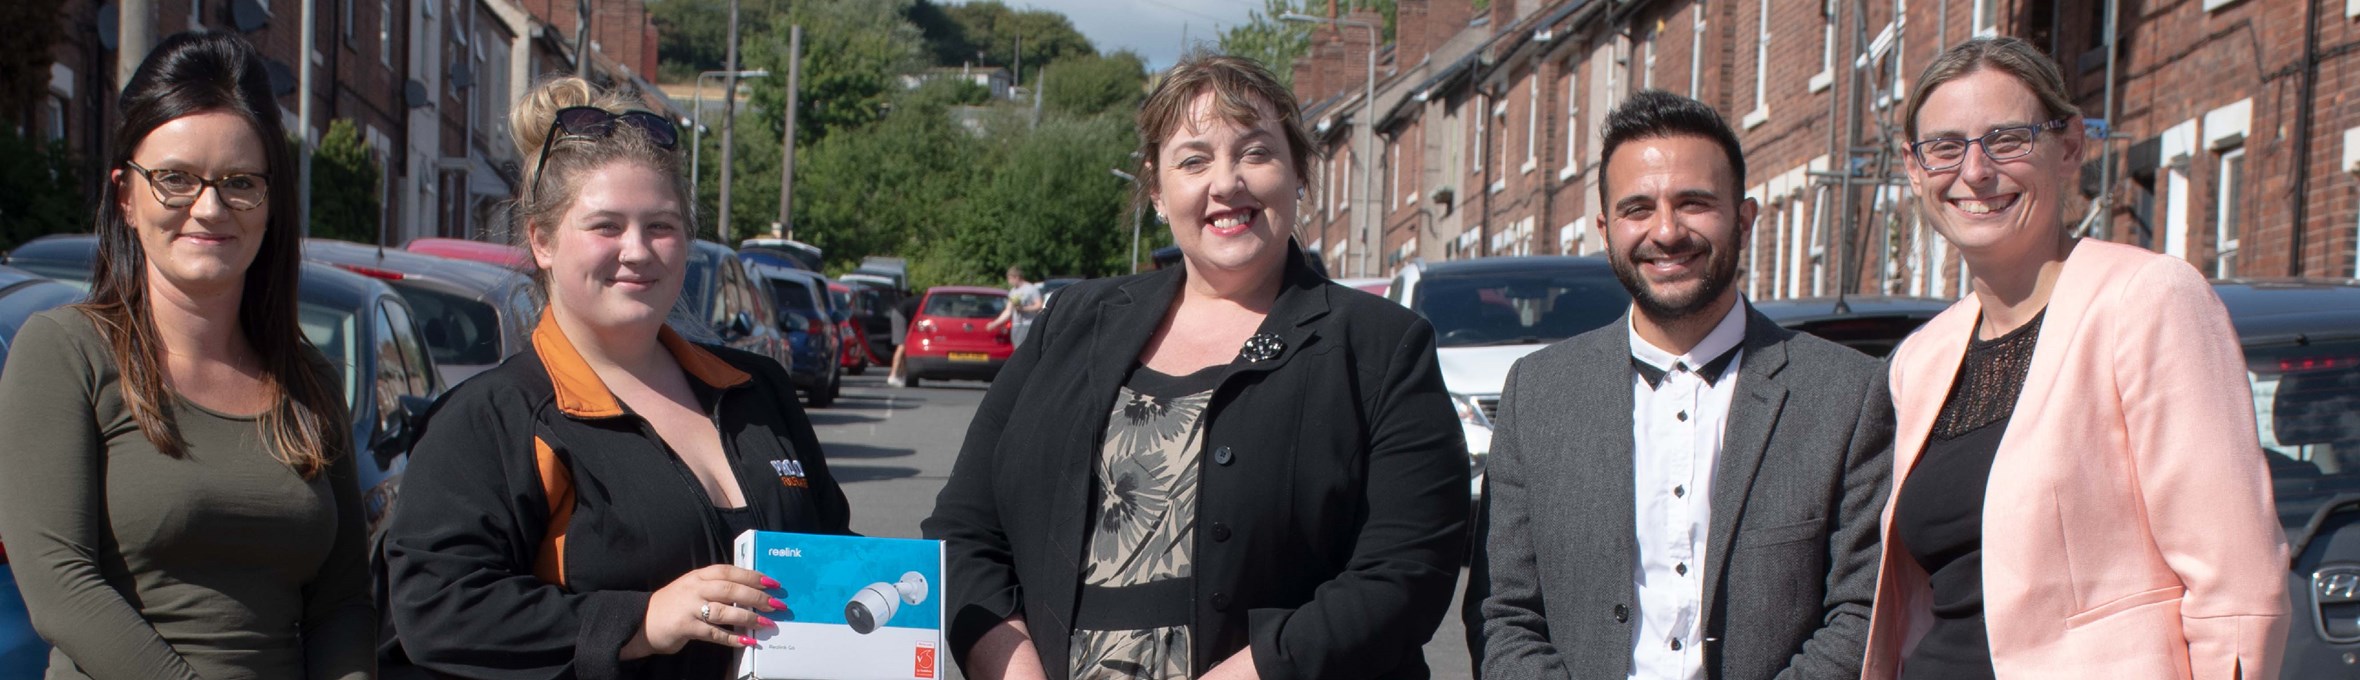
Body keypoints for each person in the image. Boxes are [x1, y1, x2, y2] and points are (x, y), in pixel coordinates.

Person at [921, 52, 1469, 680]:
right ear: (1157, 189)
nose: (1226, 183)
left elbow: (1406, 570)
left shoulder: (1380, 347)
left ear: (1299, 175)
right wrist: (1013, 671)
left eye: (1256, 153)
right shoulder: (1072, 323)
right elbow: (963, 532)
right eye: (1194, 160)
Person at [378, 76, 853, 679]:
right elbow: (437, 611)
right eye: (606, 226)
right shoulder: (492, 418)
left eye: (661, 226)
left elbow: (832, 553)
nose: (638, 250)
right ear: (542, 240)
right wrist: (642, 621)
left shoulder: (757, 390)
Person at [1861, 36, 2288, 679]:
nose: (1975, 172)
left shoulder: (2145, 301)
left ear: (2066, 148)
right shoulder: (1920, 360)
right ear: (1915, 168)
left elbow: (2238, 586)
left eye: (2006, 139)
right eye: (1945, 147)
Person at [1468, 90, 1894, 679]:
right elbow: (1503, 612)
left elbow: (1863, 612)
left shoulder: (1848, 394)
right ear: (1605, 228)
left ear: (1744, 219)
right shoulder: (1537, 394)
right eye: (1637, 208)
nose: (1666, 231)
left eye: (1693, 203)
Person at [0, 31, 374, 679]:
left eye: (239, 182)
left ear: (270, 200)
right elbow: (61, 587)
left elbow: (342, 606)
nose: (209, 207)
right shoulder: (64, 353)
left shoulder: (310, 380)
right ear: (125, 194)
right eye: (174, 179)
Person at [985, 266, 1044, 347]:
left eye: (1010, 279)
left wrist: (1024, 309)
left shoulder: (1031, 289)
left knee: (1024, 349)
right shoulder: (1013, 291)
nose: (1009, 282)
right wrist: (995, 323)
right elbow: (1008, 311)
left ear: (1016, 277)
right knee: (1016, 349)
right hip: (1016, 325)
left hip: (1028, 324)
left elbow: (1039, 305)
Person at [886, 288, 923, 387]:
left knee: (905, 347)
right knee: (901, 345)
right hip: (900, 315)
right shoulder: (924, 302)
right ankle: (893, 376)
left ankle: (900, 375)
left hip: (900, 313)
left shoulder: (919, 300)